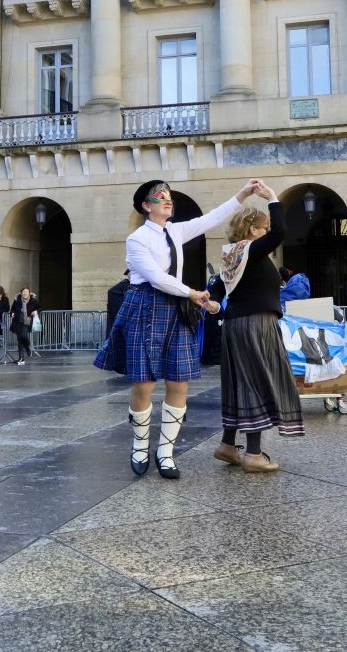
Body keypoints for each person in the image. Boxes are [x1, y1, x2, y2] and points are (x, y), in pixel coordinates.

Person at [96, 178, 260, 479]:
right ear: (146, 206)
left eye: (169, 196)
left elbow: (212, 218)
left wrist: (242, 193)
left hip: (176, 307)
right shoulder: (137, 239)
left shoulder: (176, 230)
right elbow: (156, 278)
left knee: (179, 381)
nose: (167, 200)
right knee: (144, 382)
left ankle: (166, 451)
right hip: (147, 305)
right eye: (160, 197)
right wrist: (192, 293)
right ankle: (140, 446)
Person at [208, 181, 303, 473]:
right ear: (252, 230)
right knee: (257, 382)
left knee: (239, 383)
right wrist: (273, 198)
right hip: (257, 324)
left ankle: (227, 445)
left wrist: (212, 303)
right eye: (262, 227)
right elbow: (280, 233)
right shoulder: (253, 251)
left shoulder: (230, 255)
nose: (266, 232)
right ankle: (253, 454)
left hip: (234, 326)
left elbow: (217, 291)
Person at [10, 287, 39, 365]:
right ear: (21, 293)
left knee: (24, 336)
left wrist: (36, 311)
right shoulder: (17, 300)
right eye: (23, 292)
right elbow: (12, 309)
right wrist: (12, 313)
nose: (25, 293)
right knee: (19, 340)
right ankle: (21, 358)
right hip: (18, 321)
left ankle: (27, 347)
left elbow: (40, 308)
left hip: (27, 321)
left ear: (29, 293)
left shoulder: (33, 301)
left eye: (26, 292)